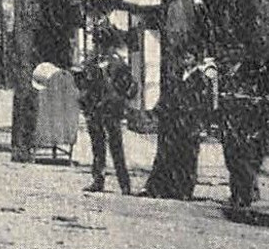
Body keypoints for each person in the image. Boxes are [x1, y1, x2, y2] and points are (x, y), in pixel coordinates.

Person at [144, 48, 215, 201]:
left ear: (196, 58)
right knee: (169, 155)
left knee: (188, 157)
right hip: (173, 122)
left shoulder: (201, 79)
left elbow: (204, 104)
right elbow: (168, 96)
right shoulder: (177, 75)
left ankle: (185, 190)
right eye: (183, 57)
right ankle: (165, 188)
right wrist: (158, 111)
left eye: (189, 57)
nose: (185, 60)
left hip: (190, 123)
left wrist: (202, 125)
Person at [217, 46, 269, 210]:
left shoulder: (253, 74)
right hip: (231, 123)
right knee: (232, 159)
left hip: (246, 125)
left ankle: (243, 195)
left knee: (244, 160)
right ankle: (239, 193)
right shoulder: (227, 74)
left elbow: (263, 102)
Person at [78, 28, 136, 194]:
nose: (100, 49)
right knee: (97, 145)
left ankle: (124, 183)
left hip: (111, 111)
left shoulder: (119, 65)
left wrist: (116, 101)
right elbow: (84, 86)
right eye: (98, 45)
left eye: (104, 45)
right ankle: (98, 179)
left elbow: (126, 87)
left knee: (116, 147)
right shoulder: (91, 63)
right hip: (95, 109)